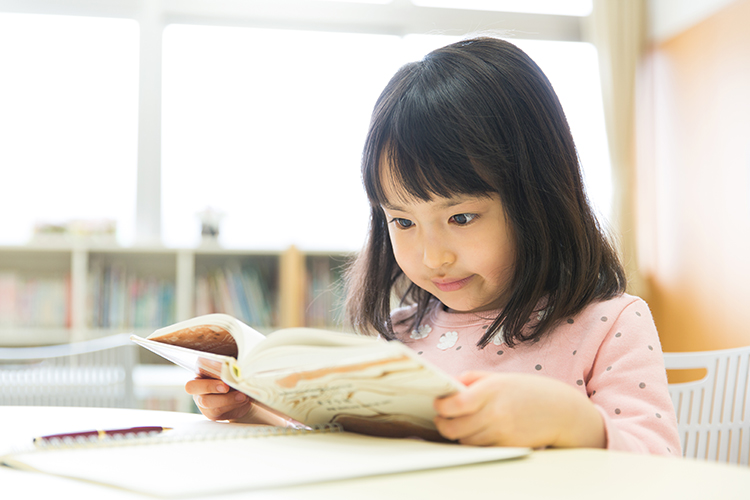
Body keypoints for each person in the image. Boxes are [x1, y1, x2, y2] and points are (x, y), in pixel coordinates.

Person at [186, 36, 681, 455]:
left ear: (539, 199)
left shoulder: (609, 325)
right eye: (402, 222)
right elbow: (342, 445)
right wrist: (252, 411)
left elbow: (659, 463)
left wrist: (576, 425)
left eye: (460, 217)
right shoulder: (403, 335)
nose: (432, 256)